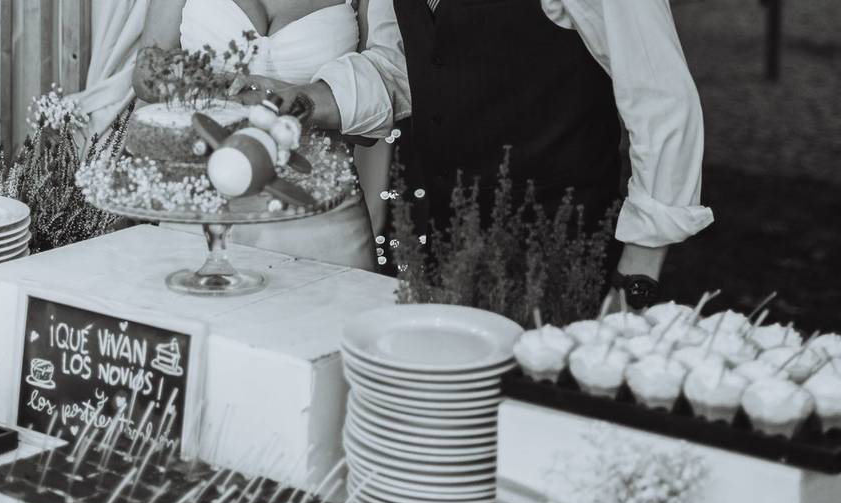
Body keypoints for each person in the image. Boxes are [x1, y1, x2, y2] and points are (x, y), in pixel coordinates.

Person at [259, 0, 714, 309]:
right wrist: (307, 101)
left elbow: (662, 99)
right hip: (439, 246)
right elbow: (403, 65)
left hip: (562, 253)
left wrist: (634, 283)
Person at [133, 0, 395, 271]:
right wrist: (202, 87)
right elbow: (145, 72)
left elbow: (378, 104)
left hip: (320, 212)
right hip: (198, 207)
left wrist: (290, 103)